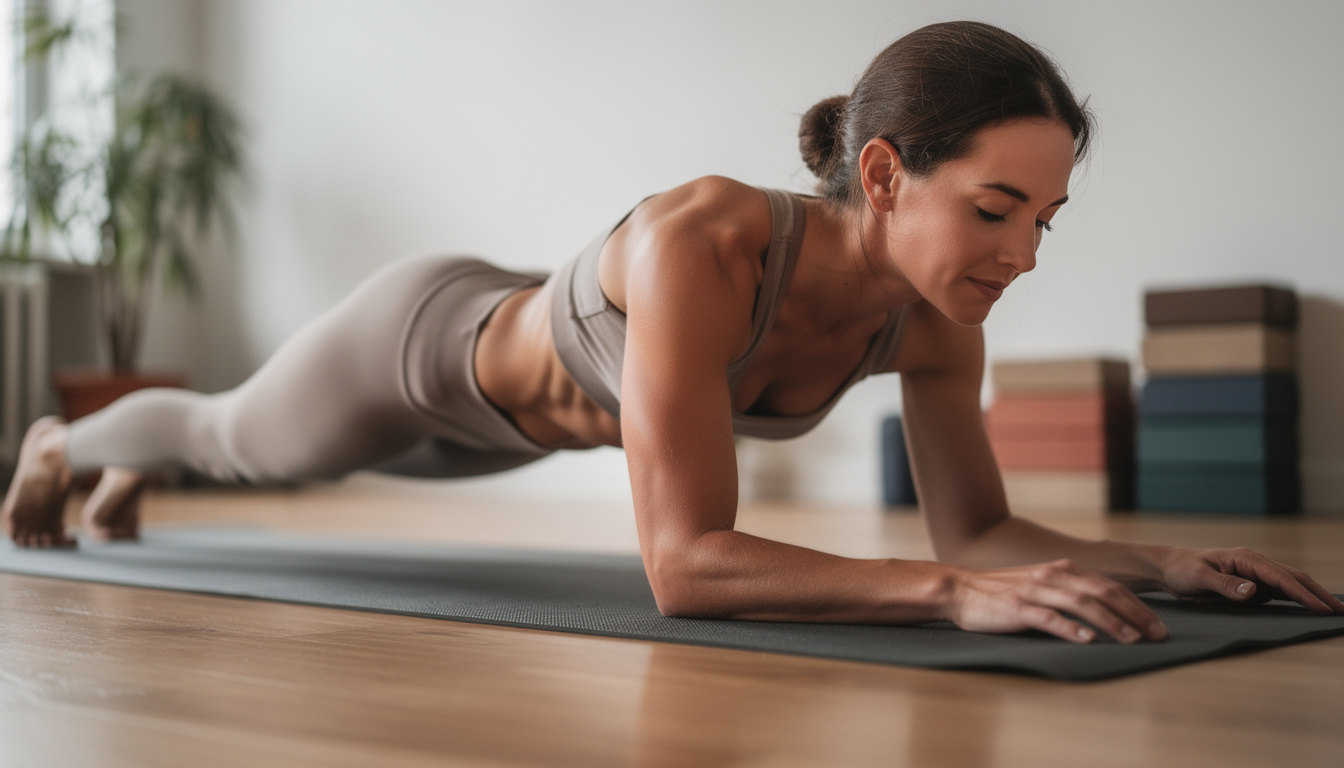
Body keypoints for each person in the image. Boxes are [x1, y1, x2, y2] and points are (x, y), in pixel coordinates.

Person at [5, 21, 1341, 643]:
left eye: (1047, 220)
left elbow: (978, 533)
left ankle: (132, 462)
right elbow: (689, 563)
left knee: (244, 459)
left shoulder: (934, 324)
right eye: (997, 208)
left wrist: (1167, 559)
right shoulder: (710, 241)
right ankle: (72, 440)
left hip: (523, 441)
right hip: (422, 354)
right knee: (233, 439)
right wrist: (947, 598)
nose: (1023, 253)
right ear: (882, 177)